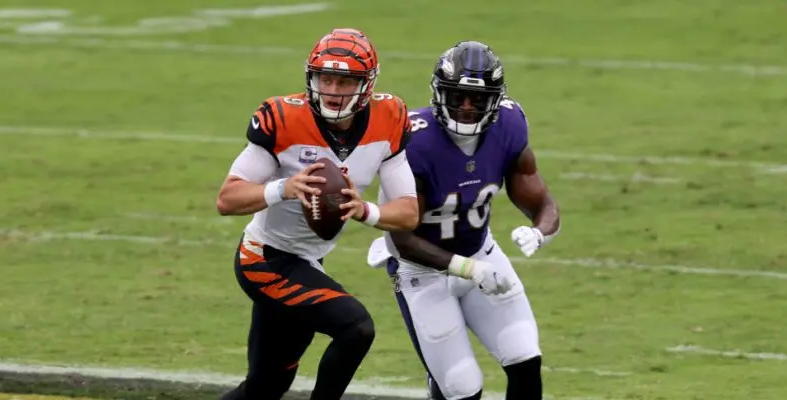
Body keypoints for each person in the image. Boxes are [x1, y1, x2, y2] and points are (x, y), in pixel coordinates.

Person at [215, 28, 419, 400]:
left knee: (265, 387)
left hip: (308, 260)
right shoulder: (283, 118)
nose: (332, 90)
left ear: (367, 84)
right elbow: (227, 199)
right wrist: (283, 188)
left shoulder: (389, 117)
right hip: (264, 258)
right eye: (326, 78)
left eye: (345, 81)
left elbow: (407, 213)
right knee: (356, 327)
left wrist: (365, 210)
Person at [366, 41, 560, 400]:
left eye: (478, 99)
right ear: (440, 93)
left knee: (524, 356)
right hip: (421, 271)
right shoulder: (415, 141)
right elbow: (401, 241)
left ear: (495, 101)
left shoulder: (509, 126)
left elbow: (541, 201)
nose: (467, 107)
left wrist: (540, 232)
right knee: (461, 386)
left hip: (479, 250)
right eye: (457, 96)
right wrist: (470, 270)